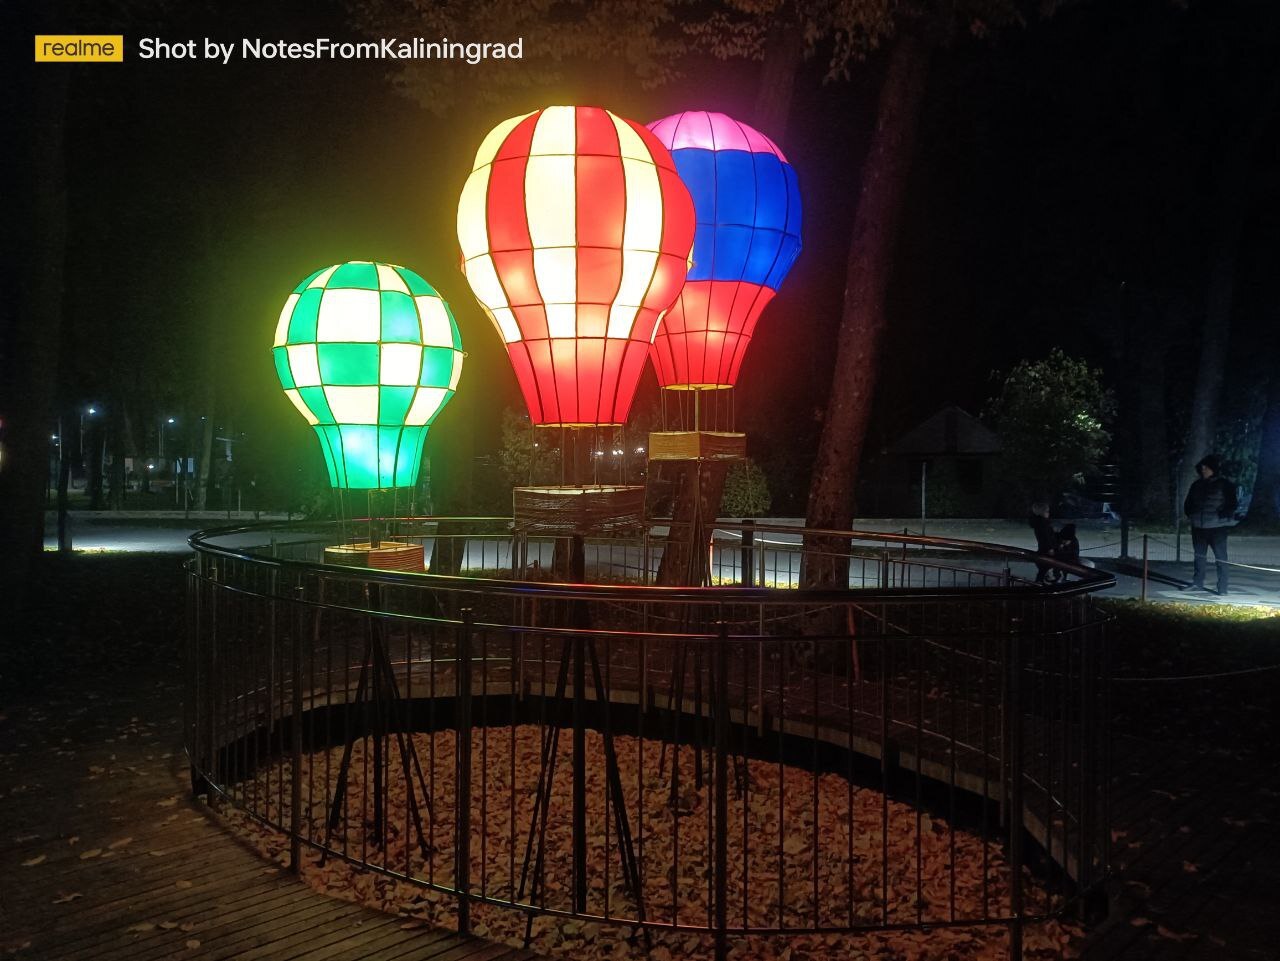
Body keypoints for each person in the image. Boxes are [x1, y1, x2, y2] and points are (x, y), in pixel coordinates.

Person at [1183, 454, 1237, 594]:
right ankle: (1197, 582)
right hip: (1198, 526)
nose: (1203, 470)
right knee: (1199, 557)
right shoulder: (1197, 485)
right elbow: (1188, 503)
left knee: (1221, 558)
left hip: (1217, 527)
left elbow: (1232, 504)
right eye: (1202, 468)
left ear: (1213, 469)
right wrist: (1191, 514)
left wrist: (1222, 515)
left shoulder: (1225, 485)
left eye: (1206, 468)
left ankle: (1223, 587)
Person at [1028, 501, 1057, 583]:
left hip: (1043, 549)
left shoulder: (1040, 523)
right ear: (1042, 512)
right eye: (1047, 511)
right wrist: (1050, 548)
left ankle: (1039, 583)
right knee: (1045, 569)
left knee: (1043, 570)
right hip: (1046, 550)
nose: (1048, 513)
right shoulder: (1043, 524)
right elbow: (1045, 537)